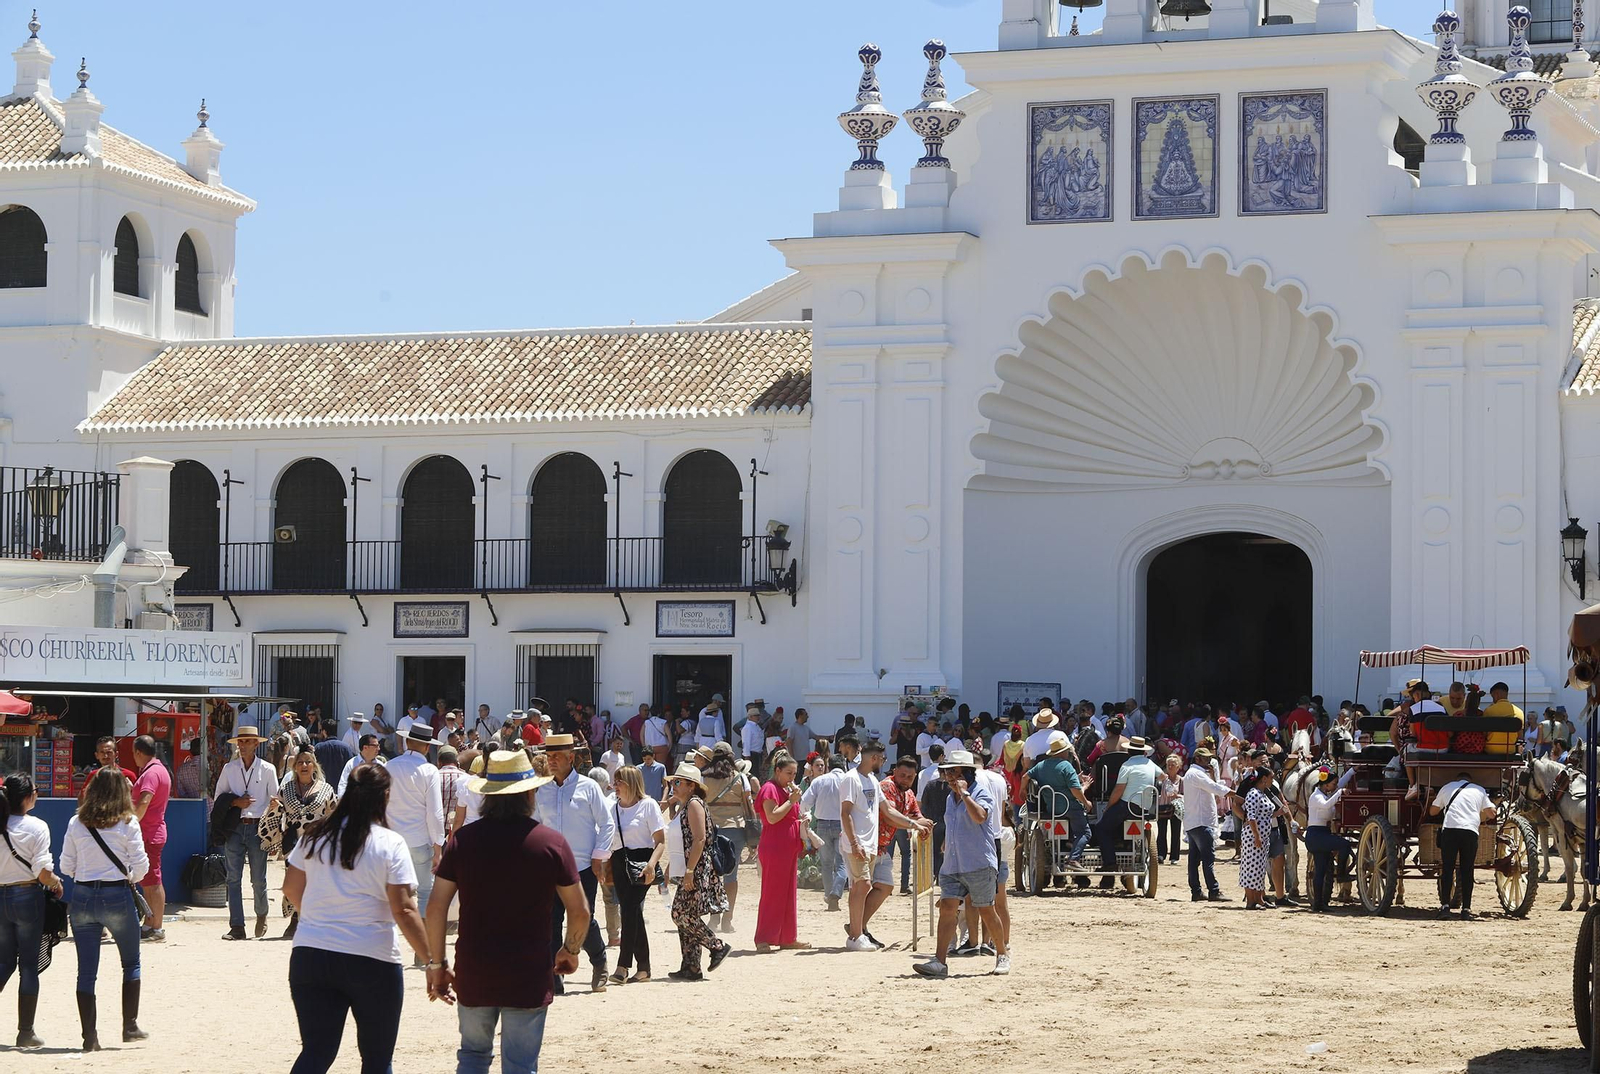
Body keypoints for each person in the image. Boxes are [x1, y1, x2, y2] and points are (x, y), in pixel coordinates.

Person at [424, 750, 588, 1074]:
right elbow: (580, 910)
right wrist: (570, 950)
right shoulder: (551, 843)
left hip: (474, 970)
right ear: (529, 794)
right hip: (528, 974)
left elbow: (436, 907)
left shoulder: (463, 842)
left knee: (472, 1056)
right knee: (520, 1065)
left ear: (488, 796)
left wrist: (437, 964)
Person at [282, 763, 428, 1074]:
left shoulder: (314, 836)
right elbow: (404, 909)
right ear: (384, 796)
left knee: (316, 1052)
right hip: (372, 958)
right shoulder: (390, 843)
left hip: (312, 953)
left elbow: (291, 889)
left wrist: (319, 917)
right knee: (377, 1059)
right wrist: (433, 961)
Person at [61, 767, 150, 1050]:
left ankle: (89, 1037)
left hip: (84, 894)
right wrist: (129, 877)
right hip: (117, 894)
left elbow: (66, 865)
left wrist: (84, 875)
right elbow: (141, 866)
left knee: (86, 971)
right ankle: (129, 1025)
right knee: (131, 962)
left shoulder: (77, 823)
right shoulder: (128, 823)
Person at [914, 750, 1008, 978]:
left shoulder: (980, 792)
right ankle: (939, 961)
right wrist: (946, 843)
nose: (948, 777)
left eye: (953, 772)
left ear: (966, 773)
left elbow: (980, 817)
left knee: (986, 909)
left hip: (978, 862)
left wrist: (965, 794)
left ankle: (1002, 954)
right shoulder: (950, 798)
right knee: (947, 908)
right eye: (947, 772)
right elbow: (953, 824)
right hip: (953, 863)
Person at [534, 734, 614, 993]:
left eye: (557, 756)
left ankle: (599, 962)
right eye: (549, 756)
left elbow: (607, 823)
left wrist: (598, 856)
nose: (551, 761)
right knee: (551, 922)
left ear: (571, 758)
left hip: (582, 867)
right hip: (549, 869)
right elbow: (534, 826)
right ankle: (554, 977)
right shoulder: (541, 789)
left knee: (583, 920)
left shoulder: (589, 787)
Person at [0, 773, 60, 1049]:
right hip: (26, 896)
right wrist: (56, 883)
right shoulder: (37, 827)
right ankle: (26, 1032)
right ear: (27, 797)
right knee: (28, 966)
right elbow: (43, 873)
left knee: (4, 963)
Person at [663, 763, 731, 981]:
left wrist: (690, 871)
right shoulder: (684, 805)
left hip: (697, 869)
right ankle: (691, 966)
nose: (673, 785)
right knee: (687, 914)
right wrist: (669, 869)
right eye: (673, 782)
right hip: (688, 868)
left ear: (691, 785)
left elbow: (700, 839)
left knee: (680, 914)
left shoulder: (694, 804)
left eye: (678, 782)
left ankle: (717, 945)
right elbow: (679, 843)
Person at [263, 745, 338, 940]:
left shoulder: (326, 789)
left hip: (318, 845)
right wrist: (274, 807)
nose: (304, 765)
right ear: (295, 766)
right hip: (293, 844)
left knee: (316, 882)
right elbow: (276, 812)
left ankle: (313, 922)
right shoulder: (286, 789)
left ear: (314, 766)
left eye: (308, 762)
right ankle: (295, 921)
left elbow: (334, 815)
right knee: (295, 883)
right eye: (300, 762)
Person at [218, 724, 279, 940]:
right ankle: (237, 926)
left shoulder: (268, 769)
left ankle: (261, 915)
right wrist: (236, 802)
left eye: (247, 741)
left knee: (258, 879)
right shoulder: (229, 769)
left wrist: (273, 829)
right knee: (233, 879)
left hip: (258, 828)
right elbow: (219, 797)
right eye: (240, 742)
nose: (243, 745)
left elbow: (275, 800)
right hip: (235, 826)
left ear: (255, 744)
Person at [606, 765, 666, 983]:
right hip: (619, 861)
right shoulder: (613, 808)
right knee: (632, 912)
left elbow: (660, 841)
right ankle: (644, 968)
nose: (615, 786)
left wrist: (651, 865)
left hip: (643, 862)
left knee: (629, 910)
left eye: (619, 782)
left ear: (631, 783)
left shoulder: (648, 805)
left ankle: (622, 966)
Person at [386, 723, 446, 934]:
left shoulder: (390, 766)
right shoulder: (429, 770)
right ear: (427, 747)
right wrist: (438, 846)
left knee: (390, 891)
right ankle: (422, 940)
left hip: (392, 840)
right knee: (425, 891)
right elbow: (435, 812)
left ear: (407, 741)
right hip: (420, 839)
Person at [753, 751, 808, 952]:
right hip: (775, 846)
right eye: (788, 773)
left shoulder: (785, 789)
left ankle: (787, 937)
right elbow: (772, 817)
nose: (792, 777)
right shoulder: (769, 788)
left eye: (794, 773)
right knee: (772, 893)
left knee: (788, 894)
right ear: (777, 771)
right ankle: (763, 938)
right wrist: (791, 801)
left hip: (787, 847)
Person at [700, 742, 753, 933]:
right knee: (731, 876)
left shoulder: (703, 777)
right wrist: (753, 834)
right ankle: (727, 920)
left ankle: (714, 918)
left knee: (713, 874)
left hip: (711, 830)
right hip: (735, 829)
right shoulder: (740, 777)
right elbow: (748, 805)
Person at [1094, 735, 1158, 892]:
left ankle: (1110, 863)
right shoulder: (1150, 764)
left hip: (1127, 805)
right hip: (1144, 807)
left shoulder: (1127, 765)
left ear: (1129, 751)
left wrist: (1109, 807)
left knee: (1101, 828)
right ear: (1143, 751)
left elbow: (1118, 790)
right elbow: (1163, 776)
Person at [1430, 772, 1497, 919]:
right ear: (1470, 780)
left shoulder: (1447, 787)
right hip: (1470, 831)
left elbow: (1433, 811)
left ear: (1457, 779)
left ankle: (1445, 907)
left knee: (1447, 869)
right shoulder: (1479, 790)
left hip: (1450, 830)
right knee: (1467, 870)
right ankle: (1466, 909)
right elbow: (1492, 814)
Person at [127, 736, 171, 943]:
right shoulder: (157, 770)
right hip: (151, 833)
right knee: (148, 880)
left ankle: (157, 928)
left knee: (152, 881)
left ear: (138, 752)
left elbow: (144, 801)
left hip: (149, 834)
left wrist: (131, 823)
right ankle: (150, 924)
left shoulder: (151, 773)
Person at [800, 756, 849, 911]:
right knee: (842, 863)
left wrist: (806, 815)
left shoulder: (820, 781)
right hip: (842, 824)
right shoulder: (849, 780)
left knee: (826, 864)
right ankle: (836, 892)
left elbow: (805, 802)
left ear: (829, 766)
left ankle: (829, 896)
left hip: (822, 824)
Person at [1304, 766, 1355, 912]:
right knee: (1344, 845)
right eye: (1333, 784)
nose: (1335, 786)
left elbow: (1339, 784)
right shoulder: (1316, 797)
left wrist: (1352, 771)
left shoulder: (1324, 793)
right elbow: (1326, 805)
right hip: (1317, 835)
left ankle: (1319, 904)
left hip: (1320, 835)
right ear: (1326, 785)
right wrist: (1340, 792)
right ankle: (1341, 874)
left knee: (1321, 872)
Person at [1239, 767, 1275, 908]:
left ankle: (1259, 898)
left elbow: (1264, 815)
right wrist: (1256, 836)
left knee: (1259, 868)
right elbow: (1251, 816)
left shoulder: (1262, 794)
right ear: (1264, 779)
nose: (1272, 781)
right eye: (1271, 778)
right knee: (1251, 868)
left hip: (1262, 837)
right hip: (1253, 837)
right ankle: (1250, 901)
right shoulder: (1253, 794)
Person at [1155, 753, 1183, 866]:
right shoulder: (1163, 779)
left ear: (1178, 767)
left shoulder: (1181, 780)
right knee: (1161, 832)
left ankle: (1174, 856)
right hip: (1162, 807)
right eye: (1168, 765)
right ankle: (1161, 854)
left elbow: (1185, 795)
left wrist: (1177, 795)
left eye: (1173, 765)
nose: (1170, 767)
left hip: (1176, 809)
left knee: (1176, 832)